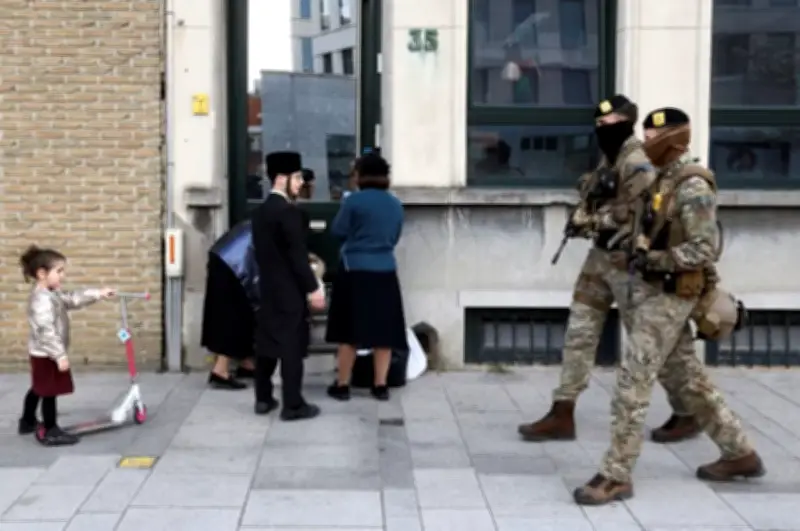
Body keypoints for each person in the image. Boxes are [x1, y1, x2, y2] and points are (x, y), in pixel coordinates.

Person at [573, 107, 765, 506]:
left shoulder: (693, 186)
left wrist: (656, 260)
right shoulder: (661, 179)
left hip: (673, 294)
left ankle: (615, 475)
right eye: (644, 135)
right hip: (654, 291)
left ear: (676, 139)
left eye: (653, 136)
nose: (645, 142)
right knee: (689, 380)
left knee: (633, 382)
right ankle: (739, 453)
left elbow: (703, 248)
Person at [518, 94, 699, 444]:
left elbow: (643, 214)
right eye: (599, 124)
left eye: (610, 122)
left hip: (629, 265)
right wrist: (583, 215)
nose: (602, 128)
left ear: (627, 122)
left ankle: (687, 410)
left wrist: (596, 220)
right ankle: (562, 410)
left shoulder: (640, 161)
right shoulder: (609, 158)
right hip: (600, 260)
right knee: (579, 333)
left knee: (652, 343)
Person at [325, 153, 407, 402]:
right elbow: (395, 236)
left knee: (348, 331)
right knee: (384, 332)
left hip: (355, 269)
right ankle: (380, 385)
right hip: (385, 270)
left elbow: (338, 230)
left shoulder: (353, 202)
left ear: (360, 175)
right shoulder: (395, 204)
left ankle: (342, 384)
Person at [251, 151, 326, 421]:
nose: (301, 183)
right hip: (290, 290)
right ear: (281, 179)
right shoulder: (289, 213)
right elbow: (297, 256)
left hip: (267, 288)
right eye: (297, 177)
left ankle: (263, 398)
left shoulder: (260, 212)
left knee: (267, 345)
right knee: (292, 348)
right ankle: (292, 405)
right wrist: (313, 288)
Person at [17, 245, 115, 446]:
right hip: (47, 353)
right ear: (42, 274)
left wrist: (98, 293)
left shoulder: (52, 293)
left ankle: (27, 421)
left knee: (39, 386)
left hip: (44, 352)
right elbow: (45, 331)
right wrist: (59, 355)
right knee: (49, 392)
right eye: (59, 271)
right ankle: (50, 430)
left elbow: (72, 298)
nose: (63, 275)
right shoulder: (41, 300)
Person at [202, 219, 258, 390]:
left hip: (225, 257)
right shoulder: (283, 224)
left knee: (237, 313)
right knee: (233, 316)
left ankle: (247, 363)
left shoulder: (264, 218)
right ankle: (220, 371)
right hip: (234, 264)